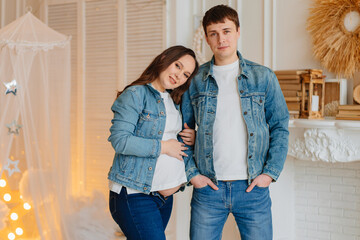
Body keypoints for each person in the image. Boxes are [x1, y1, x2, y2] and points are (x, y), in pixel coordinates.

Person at [181, 5, 289, 240]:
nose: (221, 39)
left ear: (238, 32)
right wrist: (192, 174)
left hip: (253, 188)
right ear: (207, 39)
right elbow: (182, 132)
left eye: (226, 31)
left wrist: (269, 173)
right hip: (208, 188)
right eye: (214, 33)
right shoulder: (195, 81)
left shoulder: (264, 77)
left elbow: (280, 126)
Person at [108, 45, 199, 240]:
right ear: (164, 58)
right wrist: (165, 147)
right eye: (177, 65)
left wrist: (192, 136)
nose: (178, 76)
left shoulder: (175, 101)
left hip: (163, 197)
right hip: (135, 195)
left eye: (185, 74)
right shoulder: (135, 94)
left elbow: (171, 136)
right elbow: (120, 141)